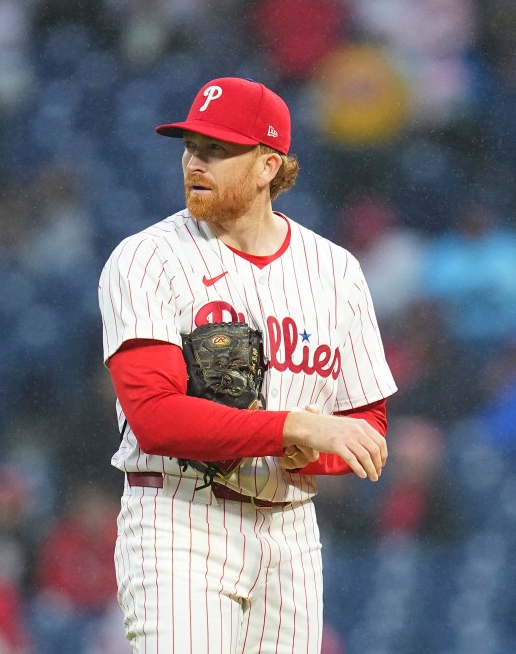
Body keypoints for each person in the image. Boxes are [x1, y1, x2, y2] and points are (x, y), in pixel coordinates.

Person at [97, 76, 396, 653]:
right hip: (180, 517)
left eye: (216, 150)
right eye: (190, 147)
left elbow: (367, 428)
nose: (194, 163)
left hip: (291, 530)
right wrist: (292, 426)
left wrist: (311, 449)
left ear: (267, 166)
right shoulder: (146, 259)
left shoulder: (335, 272)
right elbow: (156, 420)